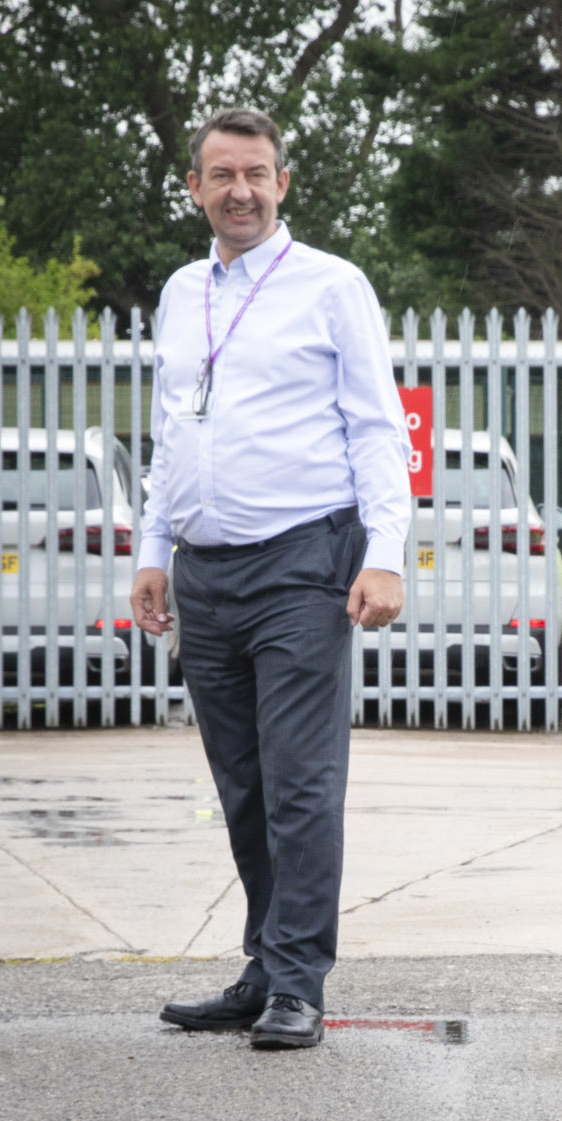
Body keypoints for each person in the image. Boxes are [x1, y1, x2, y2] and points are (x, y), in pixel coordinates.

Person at [133, 107, 409, 1050]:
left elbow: (378, 426)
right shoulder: (179, 293)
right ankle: (264, 966)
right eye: (222, 176)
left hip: (302, 564)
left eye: (256, 174)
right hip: (205, 575)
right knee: (242, 784)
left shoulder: (332, 286)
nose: (240, 191)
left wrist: (385, 553)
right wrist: (151, 550)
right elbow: (172, 433)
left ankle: (298, 979)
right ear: (195, 188)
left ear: (282, 183)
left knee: (299, 782)